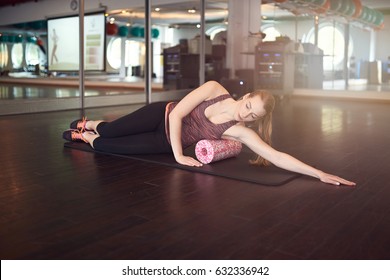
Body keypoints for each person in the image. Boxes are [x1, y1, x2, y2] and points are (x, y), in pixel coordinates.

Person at [63, 80, 356, 187]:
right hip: (160, 115)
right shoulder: (215, 90)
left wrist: (318, 173)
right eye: (249, 106)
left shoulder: (239, 131)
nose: (246, 114)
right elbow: (177, 113)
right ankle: (90, 124)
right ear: (247, 95)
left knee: (106, 148)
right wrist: (180, 156)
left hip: (163, 141)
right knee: (113, 129)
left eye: (253, 116)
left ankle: (87, 137)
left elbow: (276, 156)